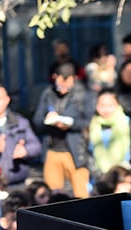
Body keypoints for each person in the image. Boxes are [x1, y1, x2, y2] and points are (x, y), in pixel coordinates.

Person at [32, 63, 91, 197]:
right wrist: (48, 121)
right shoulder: (48, 93)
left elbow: (89, 121)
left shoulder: (82, 94)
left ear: (74, 79)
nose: (63, 85)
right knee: (53, 195)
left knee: (81, 195)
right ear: (54, 77)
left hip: (76, 151)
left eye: (67, 81)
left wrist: (70, 124)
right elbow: (37, 122)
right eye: (60, 81)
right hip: (52, 149)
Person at [87, 89, 131, 179]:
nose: (106, 109)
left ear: (118, 105)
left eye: (110, 105)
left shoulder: (127, 122)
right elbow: (86, 151)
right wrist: (97, 173)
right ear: (96, 106)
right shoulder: (91, 124)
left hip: (125, 173)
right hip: (99, 177)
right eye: (102, 105)